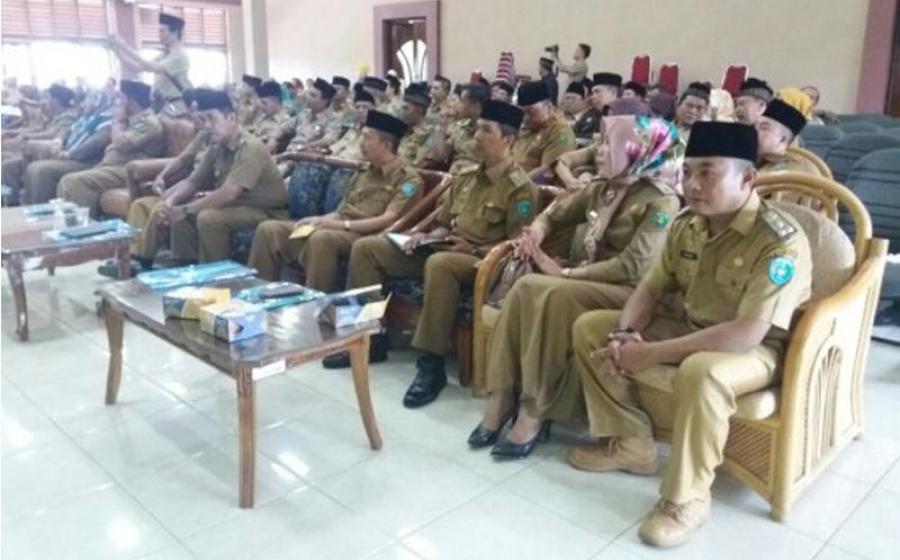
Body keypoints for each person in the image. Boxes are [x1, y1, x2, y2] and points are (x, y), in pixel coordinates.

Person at [567, 122, 812, 548]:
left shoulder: (779, 243)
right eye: (688, 172)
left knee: (703, 371)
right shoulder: (689, 224)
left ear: (747, 178)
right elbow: (651, 288)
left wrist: (652, 353)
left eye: (708, 173)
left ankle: (687, 499)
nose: (693, 185)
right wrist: (625, 334)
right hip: (691, 326)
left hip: (755, 349)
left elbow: (746, 333)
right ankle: (630, 443)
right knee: (594, 328)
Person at [471, 115, 683, 459]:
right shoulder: (602, 188)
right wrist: (536, 233)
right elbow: (553, 214)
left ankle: (535, 409)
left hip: (630, 293)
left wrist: (568, 275)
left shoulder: (660, 200)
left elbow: (634, 266)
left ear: (635, 150)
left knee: (554, 292)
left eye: (609, 144)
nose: (599, 151)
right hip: (588, 281)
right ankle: (501, 395)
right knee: (526, 286)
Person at [324, 100, 541, 409]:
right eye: (477, 128)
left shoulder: (520, 188)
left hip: (482, 260)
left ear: (508, 140)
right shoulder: (466, 177)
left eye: (486, 130)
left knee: (442, 263)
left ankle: (431, 365)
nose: (477, 136)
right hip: (444, 248)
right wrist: (424, 236)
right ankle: (369, 338)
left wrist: (475, 248)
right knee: (367, 248)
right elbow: (442, 223)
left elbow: (517, 246)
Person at [247, 110, 421, 290]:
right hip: (342, 228)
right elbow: (341, 211)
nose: (361, 143)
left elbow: (388, 219)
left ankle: (316, 306)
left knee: (322, 238)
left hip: (368, 236)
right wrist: (320, 220)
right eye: (361, 136)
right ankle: (257, 295)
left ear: (386, 144)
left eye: (367, 137)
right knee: (270, 229)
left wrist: (340, 225)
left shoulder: (408, 179)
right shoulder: (364, 171)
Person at [147, 89, 288, 264]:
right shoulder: (217, 146)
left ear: (231, 118)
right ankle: (185, 270)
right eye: (203, 119)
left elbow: (230, 193)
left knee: (208, 218)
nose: (206, 126)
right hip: (236, 208)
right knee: (181, 215)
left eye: (211, 118)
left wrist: (185, 210)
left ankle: (218, 279)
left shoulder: (250, 147)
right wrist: (170, 204)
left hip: (267, 212)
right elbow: (193, 181)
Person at [59, 80, 165, 216]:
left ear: (131, 103)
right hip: (111, 167)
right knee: (66, 180)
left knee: (75, 182)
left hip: (126, 170)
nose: (117, 105)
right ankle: (68, 229)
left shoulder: (149, 123)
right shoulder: (131, 119)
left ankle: (86, 231)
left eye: (120, 101)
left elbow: (121, 143)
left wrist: (117, 119)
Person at [20, 89, 114, 205]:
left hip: (85, 161)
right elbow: (65, 132)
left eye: (88, 100)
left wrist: (68, 154)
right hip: (69, 157)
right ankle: (28, 210)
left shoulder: (106, 121)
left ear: (97, 101)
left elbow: (95, 144)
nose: (83, 104)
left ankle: (42, 213)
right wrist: (58, 141)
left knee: (41, 170)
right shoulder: (85, 119)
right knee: (33, 167)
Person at [2, 84, 80, 199]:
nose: (45, 101)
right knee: (7, 165)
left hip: (51, 154)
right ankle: (11, 203)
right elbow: (39, 129)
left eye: (48, 98)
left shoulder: (69, 117)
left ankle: (16, 202)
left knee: (9, 166)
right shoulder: (54, 117)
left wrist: (25, 136)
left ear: (55, 101)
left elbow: (51, 134)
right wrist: (15, 132)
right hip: (37, 152)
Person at [109, 13, 191, 117]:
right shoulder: (164, 55)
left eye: (162, 31)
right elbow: (137, 67)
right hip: (160, 106)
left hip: (174, 108)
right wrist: (116, 50)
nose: (159, 35)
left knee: (146, 129)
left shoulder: (179, 55)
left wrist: (124, 46)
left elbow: (149, 66)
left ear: (175, 33)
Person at [511, 81, 576, 181]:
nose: (525, 118)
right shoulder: (526, 127)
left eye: (530, 112)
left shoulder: (559, 132)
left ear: (548, 106)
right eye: (522, 113)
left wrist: (512, 184)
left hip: (528, 189)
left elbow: (546, 173)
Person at [278, 78, 343, 168]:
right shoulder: (305, 113)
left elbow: (328, 140)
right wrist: (272, 139)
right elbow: (283, 128)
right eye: (308, 93)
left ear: (325, 100)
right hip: (287, 156)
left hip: (305, 162)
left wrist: (303, 148)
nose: (307, 97)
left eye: (313, 95)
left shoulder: (333, 120)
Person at [426, 83, 486, 173]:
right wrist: (441, 128)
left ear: (475, 105)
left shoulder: (490, 132)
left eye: (462, 101)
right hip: (452, 179)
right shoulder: (459, 127)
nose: (458, 105)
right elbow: (440, 156)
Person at [756, 98, 820, 174]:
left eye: (764, 128)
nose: (753, 130)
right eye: (754, 125)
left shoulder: (795, 172)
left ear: (782, 140)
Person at [246, 80, 294, 154]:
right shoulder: (262, 116)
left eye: (264, 103)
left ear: (276, 102)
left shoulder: (286, 121)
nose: (261, 106)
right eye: (261, 103)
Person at [574, 72, 622, 139]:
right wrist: (594, 136)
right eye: (592, 93)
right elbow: (572, 135)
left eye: (597, 91)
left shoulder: (625, 115)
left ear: (613, 92)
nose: (593, 96)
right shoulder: (589, 114)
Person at [397, 83, 434, 165]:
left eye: (406, 108)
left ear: (419, 110)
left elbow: (419, 164)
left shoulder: (429, 134)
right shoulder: (401, 131)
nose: (402, 112)